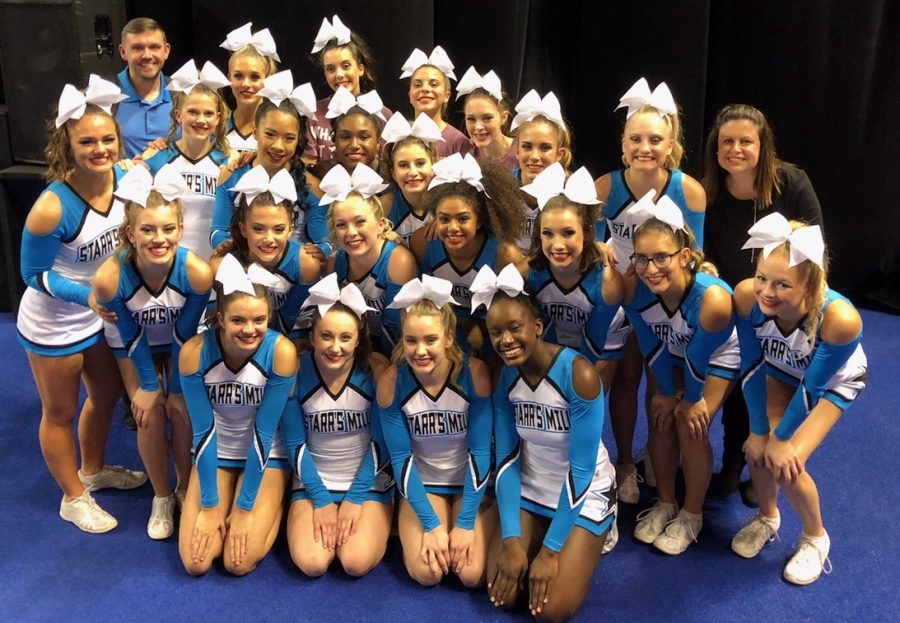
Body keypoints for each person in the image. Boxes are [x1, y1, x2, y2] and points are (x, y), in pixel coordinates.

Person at [17, 77, 146, 533]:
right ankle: (73, 497)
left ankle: (93, 470)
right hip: (55, 320)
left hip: (100, 314)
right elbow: (32, 275)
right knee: (60, 412)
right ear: (66, 144)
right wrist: (85, 296)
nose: (99, 149)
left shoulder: (128, 179)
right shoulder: (52, 206)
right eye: (86, 141)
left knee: (107, 394)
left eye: (107, 139)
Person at [731, 213, 866, 585]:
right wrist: (760, 431)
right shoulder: (746, 296)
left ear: (809, 286)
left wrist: (780, 438)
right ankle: (767, 517)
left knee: (787, 462)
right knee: (756, 451)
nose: (766, 292)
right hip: (778, 368)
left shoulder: (838, 319)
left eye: (782, 284)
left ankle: (815, 537)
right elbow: (752, 362)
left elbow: (813, 388)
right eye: (762, 278)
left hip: (830, 384)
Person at [701, 103, 825, 500]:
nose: (735, 149)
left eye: (745, 141)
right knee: (740, 377)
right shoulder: (709, 192)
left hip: (788, 305)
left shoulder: (792, 183)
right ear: (715, 148)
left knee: (778, 386)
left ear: (762, 145)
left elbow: (816, 253)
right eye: (727, 142)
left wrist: (788, 301)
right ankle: (736, 460)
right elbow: (704, 253)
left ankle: (766, 468)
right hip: (740, 304)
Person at [593, 77, 707, 503]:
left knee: (663, 386)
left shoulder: (689, 190)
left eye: (655, 139)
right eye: (635, 138)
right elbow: (590, 246)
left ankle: (657, 459)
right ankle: (624, 461)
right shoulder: (606, 187)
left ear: (670, 143)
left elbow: (694, 255)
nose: (645, 147)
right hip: (621, 299)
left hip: (666, 301)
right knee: (625, 378)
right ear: (623, 144)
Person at [482, 264, 616, 621]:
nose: (505, 340)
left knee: (549, 611)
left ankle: (598, 524)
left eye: (515, 328)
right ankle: (534, 531)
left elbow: (582, 468)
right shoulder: (505, 379)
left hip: (584, 489)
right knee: (503, 592)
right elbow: (508, 460)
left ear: (537, 327)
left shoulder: (580, 375)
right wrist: (511, 537)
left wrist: (550, 552)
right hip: (532, 483)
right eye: (496, 333)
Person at [93, 165, 212, 539]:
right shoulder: (110, 277)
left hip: (177, 340)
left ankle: (182, 486)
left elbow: (184, 333)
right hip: (135, 342)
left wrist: (176, 387)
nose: (159, 239)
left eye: (168, 229)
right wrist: (148, 385)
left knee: (180, 409)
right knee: (148, 412)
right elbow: (129, 336)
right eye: (147, 230)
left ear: (180, 230)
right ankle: (161, 496)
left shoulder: (195, 272)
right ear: (130, 233)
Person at [624, 200, 738, 555]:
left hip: (717, 356)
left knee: (691, 425)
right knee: (659, 418)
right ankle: (666, 502)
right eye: (641, 258)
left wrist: (687, 398)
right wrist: (664, 393)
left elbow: (698, 357)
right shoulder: (634, 289)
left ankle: (692, 514)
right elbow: (650, 345)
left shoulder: (713, 300)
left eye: (661, 257)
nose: (650, 268)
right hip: (670, 349)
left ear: (685, 255)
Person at [178, 254, 297, 576]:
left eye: (259, 320)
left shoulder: (281, 353)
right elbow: (202, 432)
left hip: (266, 455)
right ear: (219, 319)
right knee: (196, 563)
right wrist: (209, 504)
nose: (249, 329)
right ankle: (229, 501)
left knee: (238, 563)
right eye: (238, 321)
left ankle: (275, 502)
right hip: (215, 454)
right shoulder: (194, 353)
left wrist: (244, 509)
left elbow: (264, 432)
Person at [377, 275, 495, 587]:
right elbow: (400, 458)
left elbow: (481, 452)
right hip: (424, 483)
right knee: (426, 573)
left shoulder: (474, 374)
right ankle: (408, 515)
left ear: (448, 338)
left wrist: (466, 522)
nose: (419, 351)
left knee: (471, 575)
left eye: (430, 340)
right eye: (411, 341)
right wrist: (430, 524)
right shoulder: (392, 381)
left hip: (470, 482)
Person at [284, 275, 393, 577]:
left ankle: (387, 512)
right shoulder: (295, 368)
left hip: (367, 481)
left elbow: (382, 443)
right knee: (313, 563)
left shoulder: (375, 371)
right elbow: (294, 442)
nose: (335, 347)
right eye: (326, 336)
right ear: (313, 336)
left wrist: (355, 498)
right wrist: (320, 499)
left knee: (355, 562)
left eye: (345, 338)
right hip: (312, 480)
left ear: (358, 340)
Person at [520, 163, 625, 393]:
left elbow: (593, 341)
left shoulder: (608, 283)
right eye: (548, 233)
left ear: (586, 232)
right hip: (556, 337)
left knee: (583, 395)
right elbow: (539, 327)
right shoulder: (530, 273)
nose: (557, 245)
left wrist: (569, 382)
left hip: (601, 344)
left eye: (568, 233)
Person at [410, 154, 524, 354]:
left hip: (495, 333)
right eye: (444, 219)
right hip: (446, 331)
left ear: (479, 220)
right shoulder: (424, 243)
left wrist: (480, 329)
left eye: (463, 218)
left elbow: (519, 312)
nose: (453, 228)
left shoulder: (504, 254)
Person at [211, 73, 317, 253]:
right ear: (255, 132)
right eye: (270, 134)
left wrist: (316, 252)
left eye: (289, 138)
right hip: (242, 263)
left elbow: (324, 242)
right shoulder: (231, 174)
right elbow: (218, 231)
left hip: (291, 270)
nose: (278, 146)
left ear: (298, 139)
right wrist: (240, 249)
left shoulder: (312, 185)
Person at [322, 163, 418, 354]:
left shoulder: (398, 261)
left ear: (381, 224)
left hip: (395, 351)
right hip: (356, 348)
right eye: (341, 225)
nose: (351, 232)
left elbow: (395, 328)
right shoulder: (335, 263)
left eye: (360, 222)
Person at [216, 166, 321, 339]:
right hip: (239, 339)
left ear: (290, 229)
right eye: (258, 229)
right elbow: (221, 324)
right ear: (243, 229)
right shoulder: (223, 266)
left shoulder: (305, 264)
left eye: (278, 229)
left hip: (286, 337)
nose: (268, 239)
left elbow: (287, 318)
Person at [144, 59, 231, 262]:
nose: (201, 120)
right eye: (192, 112)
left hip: (215, 265)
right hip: (168, 267)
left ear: (218, 119)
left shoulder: (229, 163)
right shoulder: (156, 159)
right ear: (178, 115)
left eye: (208, 113)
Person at [305, 15, 389, 172]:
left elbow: (391, 166)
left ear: (360, 69)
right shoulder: (314, 113)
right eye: (330, 69)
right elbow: (307, 165)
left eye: (345, 66)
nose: (339, 75)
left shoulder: (382, 114)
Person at [306, 96, 389, 255]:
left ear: (378, 142)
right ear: (334, 141)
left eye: (364, 137)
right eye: (345, 137)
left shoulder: (392, 182)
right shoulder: (318, 176)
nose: (354, 145)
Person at [509, 90, 573, 255]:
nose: (535, 157)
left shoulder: (572, 191)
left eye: (545, 148)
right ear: (517, 150)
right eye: (527, 146)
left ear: (560, 154)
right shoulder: (503, 187)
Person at [116, 17, 173, 158]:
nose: (147, 55)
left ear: (166, 51)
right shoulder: (103, 95)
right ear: (123, 52)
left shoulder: (182, 93)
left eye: (154, 47)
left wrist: (172, 149)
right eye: (137, 48)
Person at [219, 22, 281, 153]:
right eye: (238, 76)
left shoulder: (279, 127)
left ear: (268, 79)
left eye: (255, 77)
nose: (246, 84)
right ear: (229, 78)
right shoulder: (215, 126)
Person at [381, 112, 442, 244]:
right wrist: (379, 239)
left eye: (420, 163)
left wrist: (448, 220)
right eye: (403, 165)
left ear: (433, 164)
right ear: (393, 173)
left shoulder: (448, 200)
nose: (413, 172)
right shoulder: (383, 207)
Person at [400, 46, 471, 158]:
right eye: (418, 85)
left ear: (447, 96)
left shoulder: (459, 142)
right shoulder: (399, 134)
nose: (425, 89)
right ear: (409, 95)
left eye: (434, 84)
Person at [457, 67, 517, 170]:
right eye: (471, 119)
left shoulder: (522, 152)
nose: (478, 127)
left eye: (487, 118)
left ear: (504, 117)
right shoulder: (464, 155)